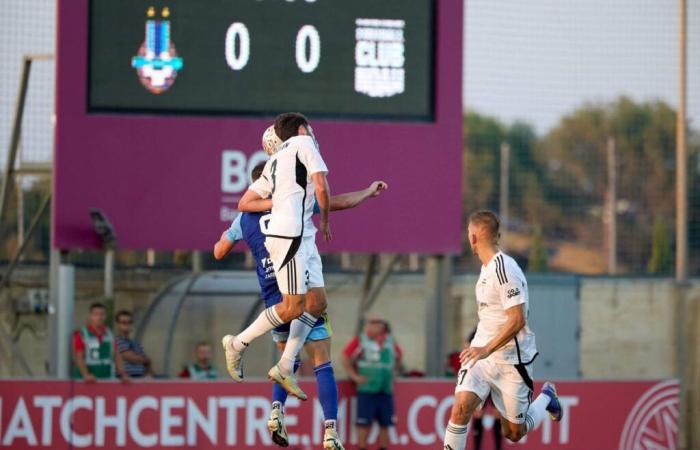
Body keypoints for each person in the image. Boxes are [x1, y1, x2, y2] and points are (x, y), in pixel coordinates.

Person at [214, 157, 387, 450]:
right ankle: (330, 430)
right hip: (301, 290)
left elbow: (219, 252)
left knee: (290, 360)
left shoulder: (242, 218)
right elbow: (338, 202)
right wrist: (368, 191)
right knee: (322, 362)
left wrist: (236, 237)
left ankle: (276, 412)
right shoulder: (296, 204)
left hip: (273, 297)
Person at [225, 113, 332, 401]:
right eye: (309, 127)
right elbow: (322, 186)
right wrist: (325, 221)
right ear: (300, 130)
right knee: (292, 308)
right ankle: (238, 343)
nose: (312, 131)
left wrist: (284, 198)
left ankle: (285, 365)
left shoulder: (276, 161)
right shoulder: (304, 144)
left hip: (303, 237)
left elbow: (244, 202)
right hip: (290, 235)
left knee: (317, 302)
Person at [443, 211, 562, 450]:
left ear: (474, 237)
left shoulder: (504, 269)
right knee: (460, 409)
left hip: (511, 361)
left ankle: (547, 396)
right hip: (481, 358)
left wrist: (486, 348)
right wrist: (480, 348)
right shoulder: (485, 270)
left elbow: (517, 320)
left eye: (468, 233)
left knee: (513, 432)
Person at [341, 317, 402, 450]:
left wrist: (394, 373)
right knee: (363, 423)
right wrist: (354, 376)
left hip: (385, 389)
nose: (371, 327)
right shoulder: (361, 340)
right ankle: (362, 447)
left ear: (382, 327)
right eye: (370, 324)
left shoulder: (390, 341)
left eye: (375, 324)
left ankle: (383, 447)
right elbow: (345, 356)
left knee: (386, 422)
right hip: (367, 389)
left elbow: (398, 357)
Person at [72, 302, 129, 382]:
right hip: (86, 381)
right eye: (96, 314)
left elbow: (117, 356)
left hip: (106, 378)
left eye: (102, 314)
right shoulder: (81, 334)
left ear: (105, 316)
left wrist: (123, 374)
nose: (99, 317)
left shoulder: (110, 334)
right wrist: (86, 374)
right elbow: (79, 358)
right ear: (90, 316)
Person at [115, 310, 152, 378]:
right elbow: (132, 358)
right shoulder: (116, 341)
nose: (127, 325)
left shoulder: (136, 343)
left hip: (140, 379)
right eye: (124, 322)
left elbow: (147, 363)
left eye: (130, 322)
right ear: (118, 324)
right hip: (125, 379)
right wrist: (145, 360)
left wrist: (146, 362)